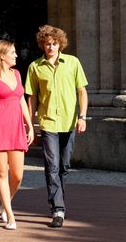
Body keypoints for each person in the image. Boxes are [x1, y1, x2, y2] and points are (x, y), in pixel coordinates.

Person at [25, 24, 88, 228]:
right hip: (48, 121)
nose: (50, 47)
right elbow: (32, 98)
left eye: (54, 43)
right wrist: (31, 124)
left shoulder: (73, 63)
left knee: (64, 166)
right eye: (46, 44)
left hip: (69, 122)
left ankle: (58, 199)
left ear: (60, 43)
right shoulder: (35, 67)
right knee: (51, 166)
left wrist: (83, 117)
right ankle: (57, 209)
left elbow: (82, 91)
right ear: (42, 45)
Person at [0, 39, 34, 230]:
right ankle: (10, 215)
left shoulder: (17, 74)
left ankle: (5, 202)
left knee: (17, 176)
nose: (16, 55)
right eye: (13, 52)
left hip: (16, 127)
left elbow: (20, 101)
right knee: (2, 172)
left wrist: (30, 125)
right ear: (2, 55)